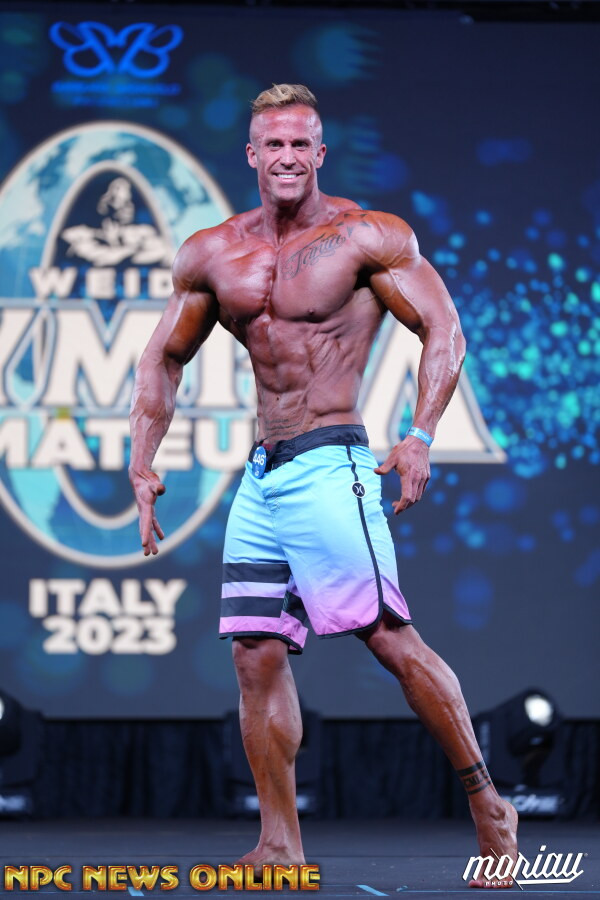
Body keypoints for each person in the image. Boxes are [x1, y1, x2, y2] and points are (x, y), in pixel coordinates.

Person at [129, 84, 517, 889]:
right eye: (273, 144)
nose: (287, 157)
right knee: (254, 653)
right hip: (262, 477)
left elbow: (443, 328)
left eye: (300, 144)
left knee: (389, 638)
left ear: (320, 154)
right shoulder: (213, 252)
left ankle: (490, 806)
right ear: (252, 154)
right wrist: (141, 459)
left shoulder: (366, 236)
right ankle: (280, 844)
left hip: (331, 463)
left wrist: (419, 435)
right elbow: (164, 356)